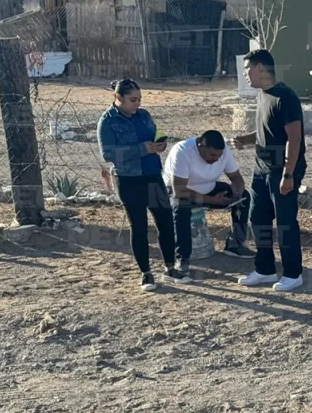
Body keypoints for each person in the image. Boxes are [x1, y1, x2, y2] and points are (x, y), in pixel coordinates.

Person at [97, 79, 186, 290]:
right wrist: (142, 149)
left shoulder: (145, 115)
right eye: (132, 100)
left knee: (165, 221)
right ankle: (146, 273)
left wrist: (160, 144)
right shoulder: (107, 122)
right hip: (128, 180)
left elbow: (157, 132)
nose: (137, 104)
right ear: (118, 98)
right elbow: (108, 154)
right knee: (138, 227)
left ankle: (170, 267)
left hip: (153, 175)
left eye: (139, 99)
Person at [232, 49, 307, 292]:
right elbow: (268, 131)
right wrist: (247, 139)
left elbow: (293, 138)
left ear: (262, 68)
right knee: (258, 219)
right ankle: (265, 269)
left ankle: (293, 274)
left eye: (248, 70)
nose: (246, 75)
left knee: (285, 222)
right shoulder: (262, 95)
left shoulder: (286, 97)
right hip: (261, 168)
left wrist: (288, 174)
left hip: (282, 170)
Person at [163, 130, 252, 264]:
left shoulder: (224, 152)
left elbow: (237, 178)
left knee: (244, 197)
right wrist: (212, 200)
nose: (216, 159)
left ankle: (235, 244)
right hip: (181, 192)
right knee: (181, 207)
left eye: (219, 155)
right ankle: (182, 258)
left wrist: (237, 193)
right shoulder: (182, 151)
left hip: (208, 188)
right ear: (200, 146)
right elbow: (180, 191)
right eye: (212, 155)